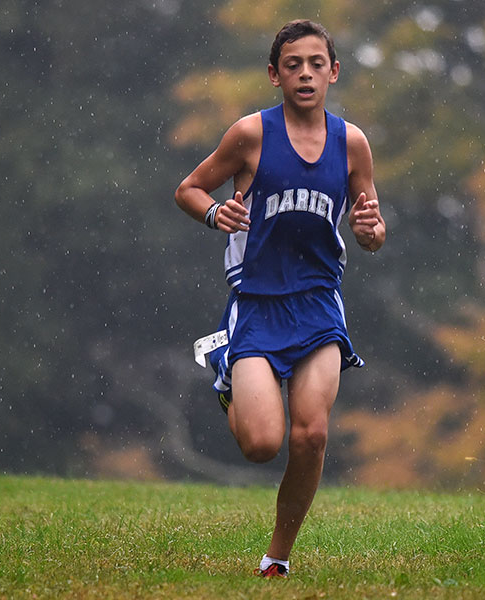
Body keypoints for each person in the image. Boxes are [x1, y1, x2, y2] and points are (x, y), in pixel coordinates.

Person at [174, 19, 386, 578]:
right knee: (262, 444)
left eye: (317, 63)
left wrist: (371, 231)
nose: (306, 73)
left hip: (318, 306)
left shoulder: (353, 144)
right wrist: (216, 212)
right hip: (257, 307)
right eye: (293, 64)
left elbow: (371, 229)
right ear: (274, 75)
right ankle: (230, 381)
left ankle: (277, 558)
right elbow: (188, 190)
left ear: (334, 72)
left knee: (311, 433)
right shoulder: (250, 135)